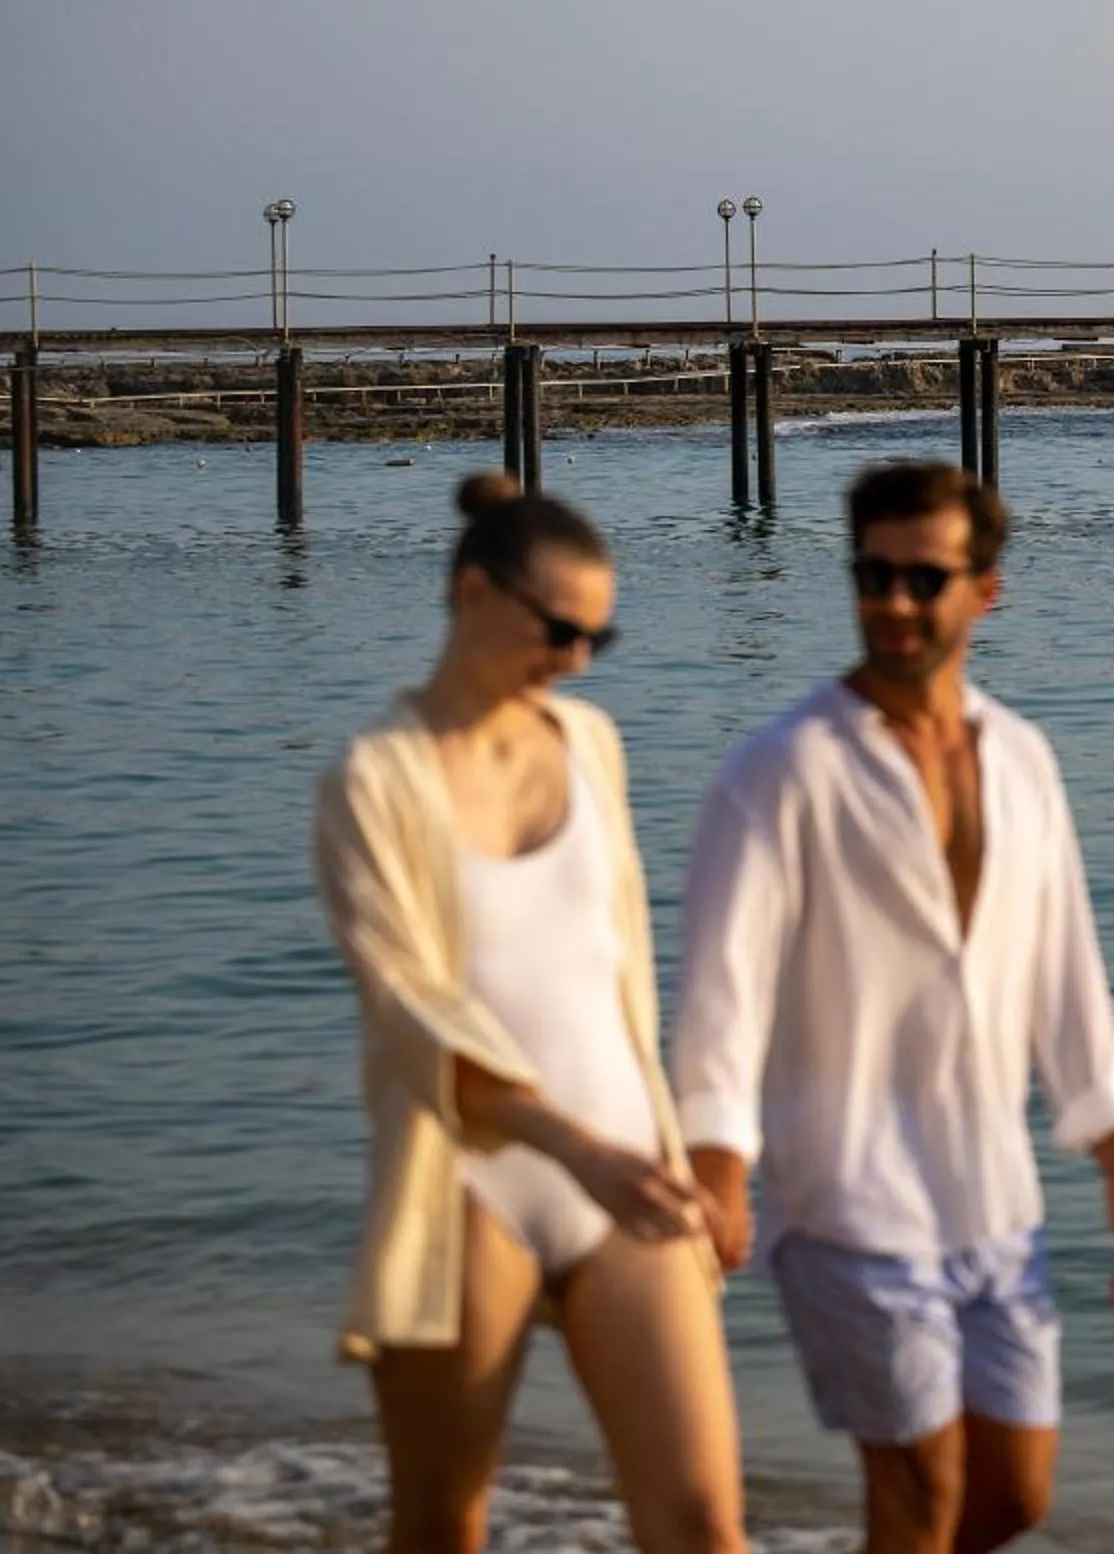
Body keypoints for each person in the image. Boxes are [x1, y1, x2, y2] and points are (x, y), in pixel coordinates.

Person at [675, 460, 1114, 1554]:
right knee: (921, 1496)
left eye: (921, 577)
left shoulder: (1024, 761)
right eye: (872, 574)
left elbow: (1065, 970)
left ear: (985, 587)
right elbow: (722, 992)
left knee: (1015, 1496)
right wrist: (718, 1169)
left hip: (994, 1196)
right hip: (846, 1194)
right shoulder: (781, 770)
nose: (893, 601)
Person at [313, 473, 745, 1554]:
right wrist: (572, 1144)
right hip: (469, 1175)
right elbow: (414, 1013)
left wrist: (686, 1138)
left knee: (701, 1522)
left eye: (602, 634)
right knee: (443, 1524)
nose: (578, 659)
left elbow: (625, 972)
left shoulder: (591, 743)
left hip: (628, 1167)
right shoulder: (374, 777)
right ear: (472, 592)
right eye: (558, 628)